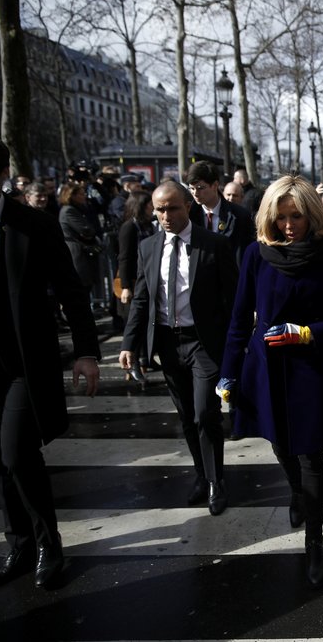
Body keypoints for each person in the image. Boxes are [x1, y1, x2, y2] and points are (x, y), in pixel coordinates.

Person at [218, 176, 323, 587]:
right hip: (265, 368)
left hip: (314, 368)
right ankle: (297, 491)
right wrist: (228, 371)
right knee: (281, 445)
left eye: (296, 215)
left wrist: (309, 332)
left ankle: (314, 538)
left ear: (312, 214)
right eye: (280, 217)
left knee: (312, 454)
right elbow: (238, 317)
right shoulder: (255, 255)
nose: (288, 225)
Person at [0, 133, 100, 590]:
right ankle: (20, 544)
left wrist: (87, 351)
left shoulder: (34, 225)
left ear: (3, 173)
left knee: (16, 452)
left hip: (24, 366)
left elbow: (71, 289)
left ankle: (49, 544)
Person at [119, 180, 238, 516]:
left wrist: (235, 347)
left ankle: (217, 481)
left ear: (188, 206)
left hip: (203, 343)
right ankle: (201, 474)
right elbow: (142, 299)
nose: (166, 215)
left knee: (205, 414)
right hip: (169, 345)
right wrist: (130, 343)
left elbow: (232, 299)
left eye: (172, 208)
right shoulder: (149, 246)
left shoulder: (213, 244)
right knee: (186, 416)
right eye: (159, 209)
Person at [116, 189, 157, 385]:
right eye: (150, 206)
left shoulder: (147, 226)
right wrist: (125, 286)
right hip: (133, 282)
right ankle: (132, 365)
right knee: (133, 323)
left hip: (147, 280)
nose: (152, 210)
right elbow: (124, 257)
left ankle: (144, 360)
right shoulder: (129, 228)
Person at [187, 161, 256, 265]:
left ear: (215, 185)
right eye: (192, 188)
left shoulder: (240, 216)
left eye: (200, 188)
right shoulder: (188, 216)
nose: (195, 193)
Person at [58, 182, 102, 304]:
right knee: (81, 289)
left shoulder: (78, 209)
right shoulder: (68, 211)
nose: (84, 197)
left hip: (83, 252)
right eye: (81, 194)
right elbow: (86, 230)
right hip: (77, 253)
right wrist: (90, 231)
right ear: (71, 195)